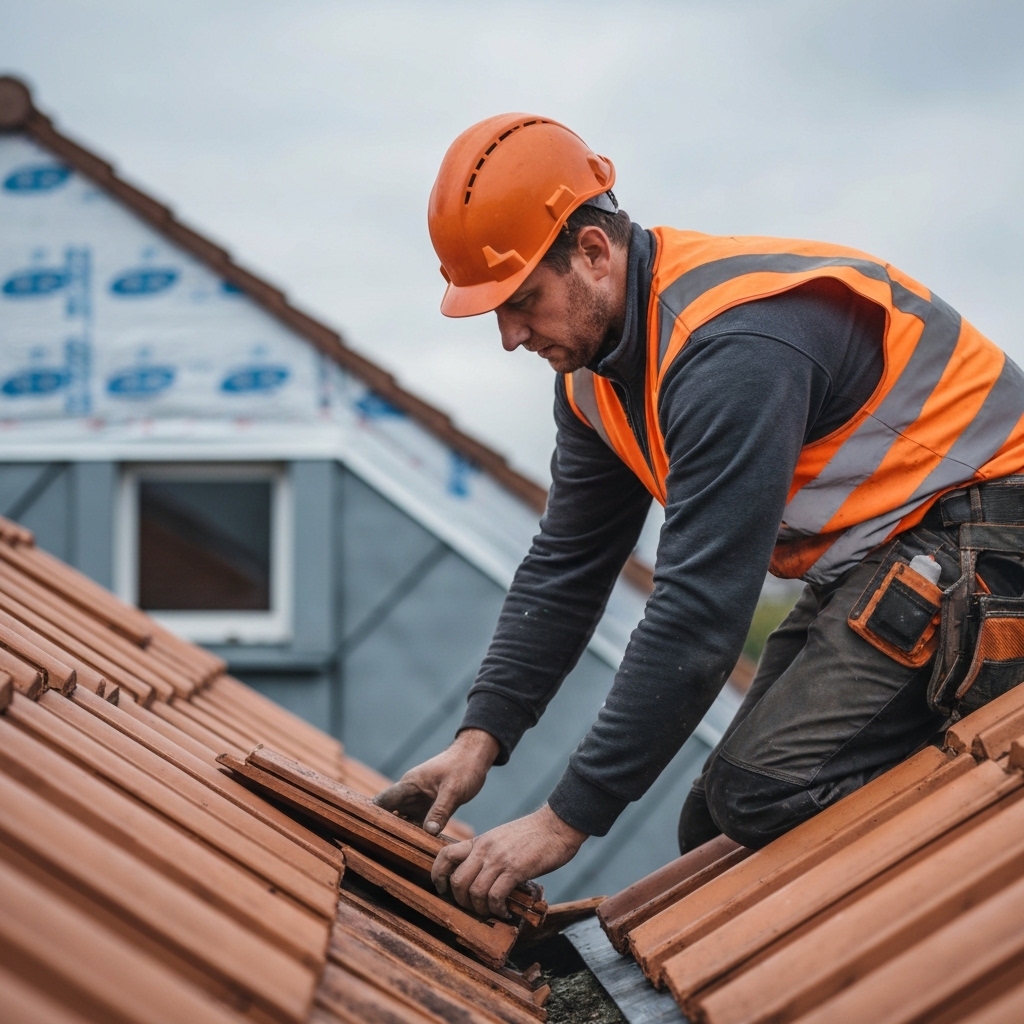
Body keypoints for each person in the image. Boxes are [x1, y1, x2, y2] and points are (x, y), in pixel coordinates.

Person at [375, 113, 1024, 920]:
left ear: (594, 253)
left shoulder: (730, 347)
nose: (509, 336)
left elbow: (699, 611)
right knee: (715, 821)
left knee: (764, 792)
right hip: (894, 551)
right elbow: (568, 565)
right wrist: (481, 737)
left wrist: (564, 820)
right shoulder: (593, 378)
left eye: (522, 302)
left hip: (992, 540)